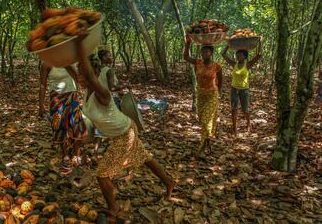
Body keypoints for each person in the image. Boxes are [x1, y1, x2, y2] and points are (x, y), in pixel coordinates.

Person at [76, 33, 174, 223]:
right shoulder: (87, 89)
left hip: (123, 134)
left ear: (92, 74)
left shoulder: (102, 93)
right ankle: (169, 182)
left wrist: (80, 44)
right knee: (145, 157)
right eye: (78, 73)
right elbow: (73, 70)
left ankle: (113, 207)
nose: (79, 76)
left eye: (82, 73)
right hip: (124, 130)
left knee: (102, 174)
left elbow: (88, 74)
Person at [39, 62, 87, 170]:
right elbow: (42, 85)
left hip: (72, 96)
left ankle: (77, 154)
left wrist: (67, 64)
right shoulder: (47, 63)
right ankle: (65, 154)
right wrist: (40, 105)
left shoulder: (72, 60)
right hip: (56, 98)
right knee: (60, 127)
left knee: (76, 125)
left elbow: (79, 79)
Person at [183, 35, 223, 158]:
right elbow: (185, 57)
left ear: (211, 53)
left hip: (212, 95)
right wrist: (188, 43)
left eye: (207, 51)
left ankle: (201, 149)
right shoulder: (198, 62)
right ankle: (208, 140)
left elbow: (220, 81)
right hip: (201, 95)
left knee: (206, 122)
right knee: (203, 121)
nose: (204, 53)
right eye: (202, 51)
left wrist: (218, 94)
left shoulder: (217, 66)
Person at [221, 41, 262, 134]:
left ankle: (248, 124)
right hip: (234, 89)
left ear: (245, 56)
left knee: (245, 109)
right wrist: (228, 44)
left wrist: (260, 42)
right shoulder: (234, 64)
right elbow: (223, 54)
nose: (238, 57)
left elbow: (259, 55)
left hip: (244, 90)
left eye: (240, 55)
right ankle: (234, 128)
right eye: (237, 55)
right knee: (233, 109)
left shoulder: (247, 64)